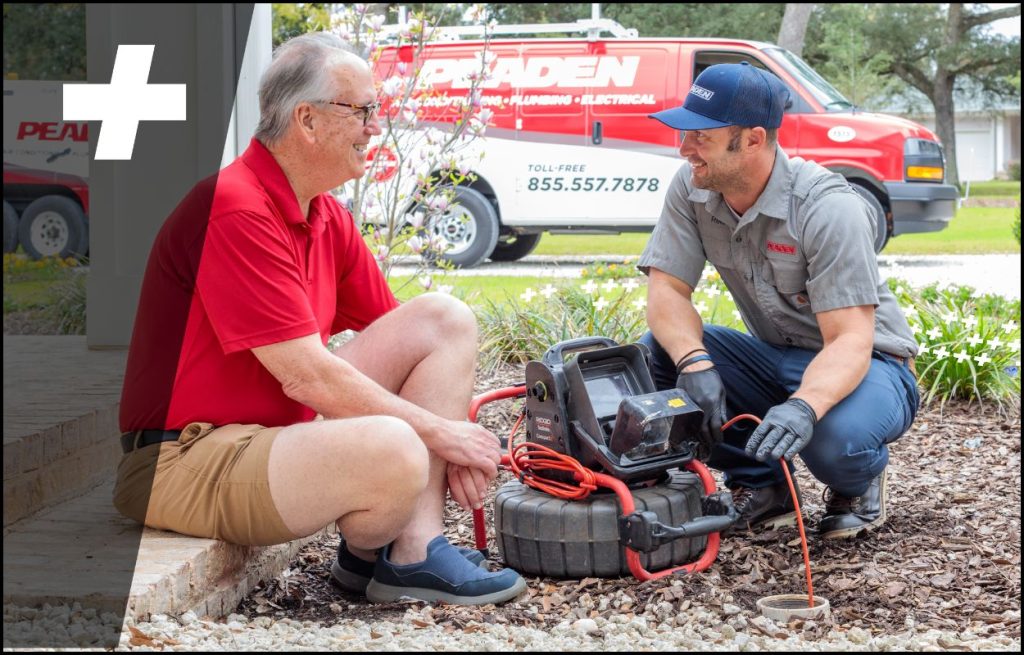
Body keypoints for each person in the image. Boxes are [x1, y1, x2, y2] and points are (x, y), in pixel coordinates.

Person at [113, 32, 526, 606]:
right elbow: (306, 375)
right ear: (306, 120)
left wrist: (449, 430)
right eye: (360, 111)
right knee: (397, 446)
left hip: (269, 437)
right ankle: (386, 554)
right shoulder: (233, 206)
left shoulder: (324, 213)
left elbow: (409, 344)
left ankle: (409, 550)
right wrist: (444, 436)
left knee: (443, 319)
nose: (374, 128)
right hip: (181, 456)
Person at [636, 62, 920, 539]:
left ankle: (859, 480)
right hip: (775, 355)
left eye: (700, 136)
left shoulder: (828, 208)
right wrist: (694, 362)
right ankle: (763, 486)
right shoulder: (692, 186)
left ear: (752, 139)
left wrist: (804, 406)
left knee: (837, 444)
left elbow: (850, 337)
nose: (684, 149)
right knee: (660, 353)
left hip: (869, 363)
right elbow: (667, 288)